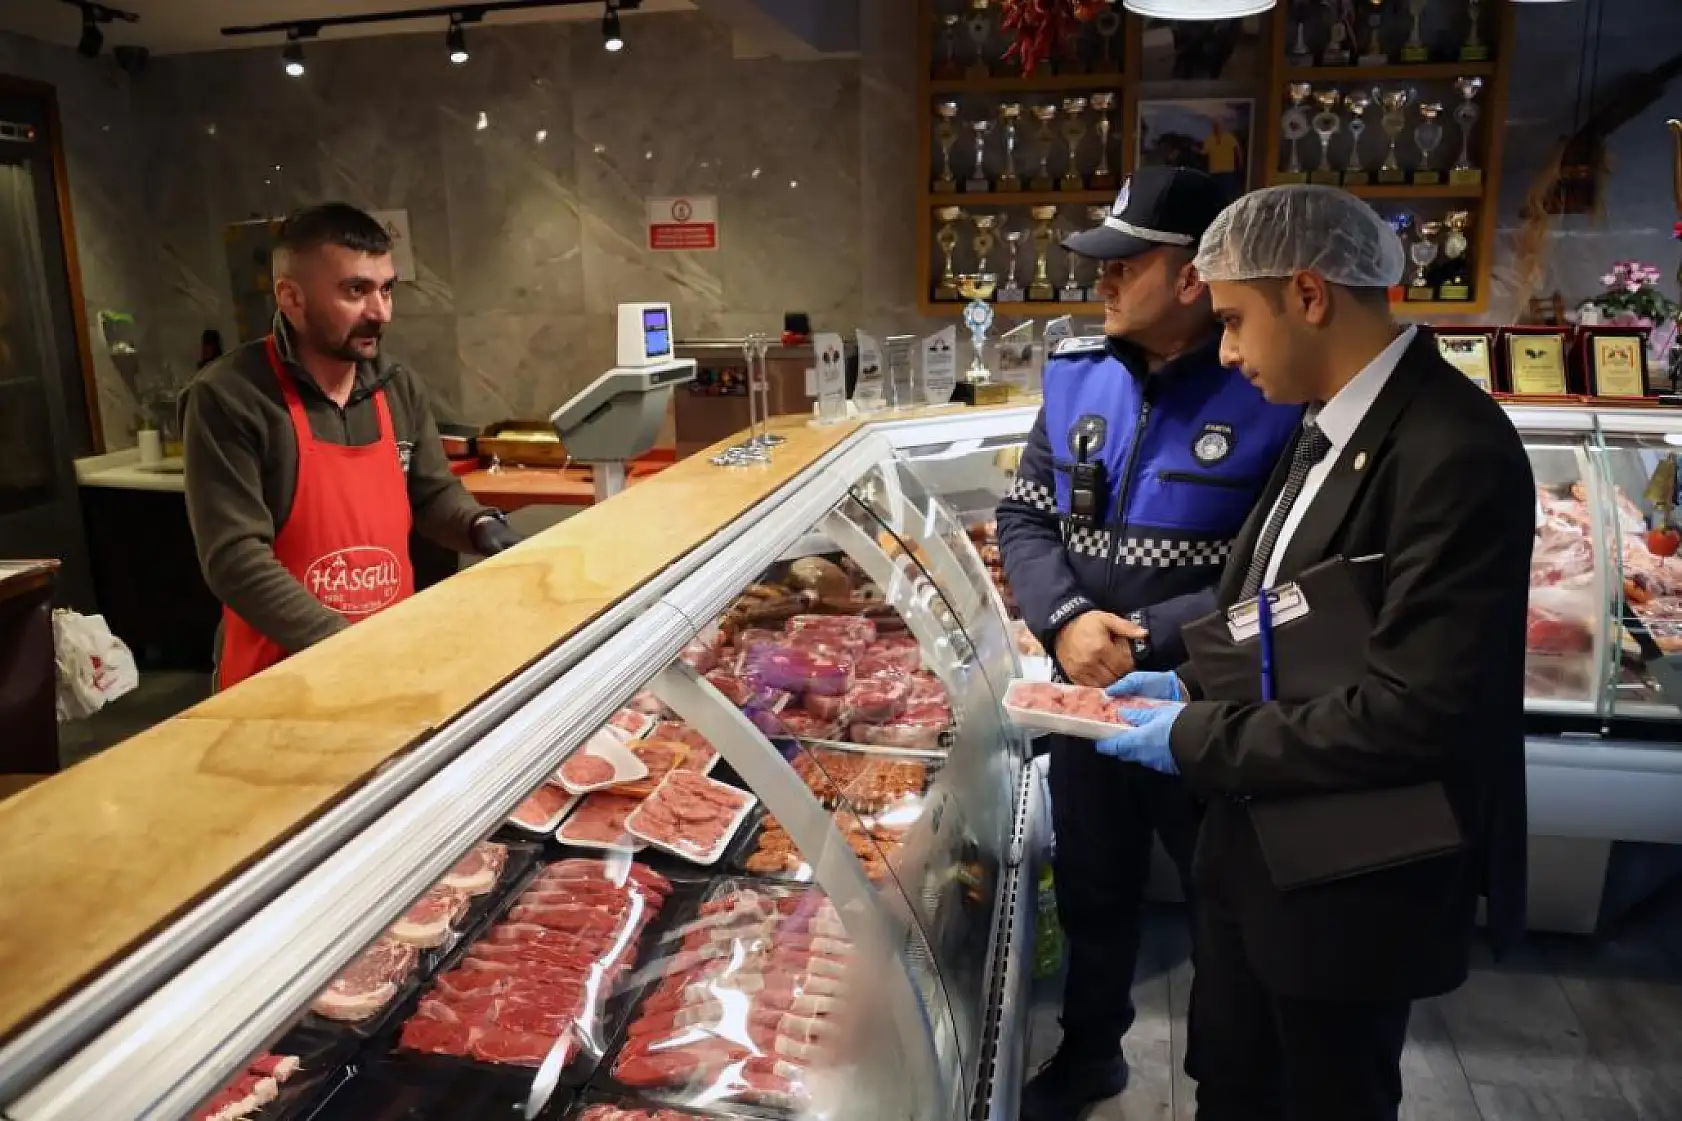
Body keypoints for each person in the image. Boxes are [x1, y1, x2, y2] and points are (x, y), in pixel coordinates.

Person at [1102, 185, 1532, 1121]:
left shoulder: (1453, 448)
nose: (1225, 352)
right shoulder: (1325, 419)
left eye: (1231, 321)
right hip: (1258, 858)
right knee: (1236, 1082)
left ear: (1306, 294)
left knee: (1322, 1095)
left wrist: (1191, 734)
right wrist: (1186, 676)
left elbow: (1412, 712)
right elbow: (1282, 609)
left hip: (1350, 881)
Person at [994, 167, 1302, 1121]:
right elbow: (1026, 515)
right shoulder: (1078, 375)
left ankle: (1224, 1083)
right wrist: (1064, 622)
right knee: (1094, 888)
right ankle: (1091, 1056)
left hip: (1203, 700)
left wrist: (1150, 638)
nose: (1104, 281)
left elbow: (1276, 566)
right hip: (1084, 690)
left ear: (1194, 279)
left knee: (1226, 903)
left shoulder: (1273, 388)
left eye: (1127, 263)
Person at [183, 203, 521, 691]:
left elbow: (431, 494)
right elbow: (235, 559)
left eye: (386, 289)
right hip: (278, 680)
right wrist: (348, 648)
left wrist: (479, 524)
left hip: (388, 663)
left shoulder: (397, 386)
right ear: (291, 298)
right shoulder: (230, 396)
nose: (379, 312)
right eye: (355, 291)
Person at [1199, 119, 1244, 202]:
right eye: (1214, 126)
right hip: (1214, 172)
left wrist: (1240, 164)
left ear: (1223, 127)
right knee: (1215, 196)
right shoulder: (1209, 139)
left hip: (1228, 171)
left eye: (1218, 126)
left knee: (1228, 196)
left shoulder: (1230, 138)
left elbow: (1238, 151)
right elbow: (1204, 154)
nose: (1216, 128)